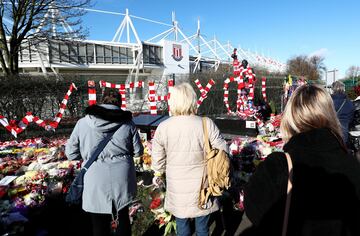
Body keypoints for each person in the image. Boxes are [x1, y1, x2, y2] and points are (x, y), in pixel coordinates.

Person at [239, 84, 360, 236]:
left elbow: (254, 211)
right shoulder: (352, 165)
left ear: (291, 117)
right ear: (330, 114)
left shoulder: (277, 166)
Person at [151, 82, 228, 236]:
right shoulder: (206, 123)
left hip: (177, 186)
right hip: (204, 185)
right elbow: (223, 152)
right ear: (193, 100)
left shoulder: (164, 127)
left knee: (182, 225)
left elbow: (158, 160)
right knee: (202, 227)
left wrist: (158, 174)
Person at [65, 88, 143, 236]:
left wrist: (85, 155)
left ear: (102, 102)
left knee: (98, 221)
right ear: (119, 103)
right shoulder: (128, 123)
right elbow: (138, 151)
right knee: (123, 217)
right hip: (122, 176)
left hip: (95, 176)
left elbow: (70, 153)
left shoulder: (83, 123)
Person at [331, 81, 354, 145]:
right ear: (343, 89)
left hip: (329, 133)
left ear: (333, 89)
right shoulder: (349, 102)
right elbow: (351, 118)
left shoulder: (328, 102)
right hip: (344, 134)